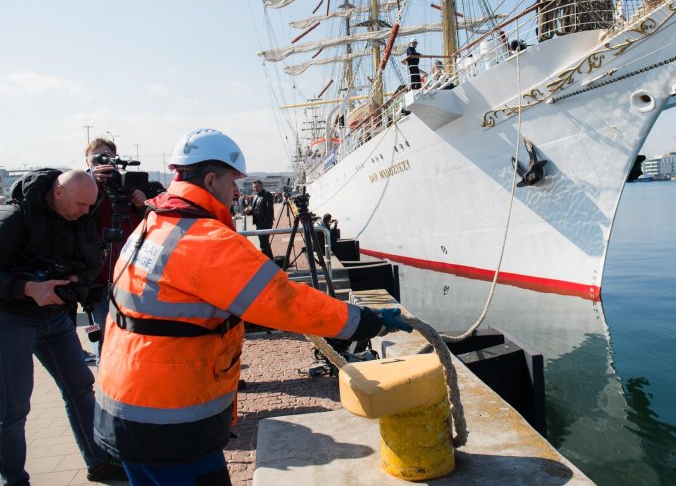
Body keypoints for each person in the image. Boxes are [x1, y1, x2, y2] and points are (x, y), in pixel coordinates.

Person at [93, 128, 410, 486]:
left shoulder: (154, 223)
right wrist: (362, 321)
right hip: (170, 421)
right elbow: (284, 302)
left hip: (125, 405)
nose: (238, 191)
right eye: (234, 181)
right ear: (211, 179)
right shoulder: (207, 241)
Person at [0, 169, 127, 485]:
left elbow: (94, 259)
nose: (86, 212)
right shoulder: (14, 219)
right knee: (13, 407)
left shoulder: (82, 215)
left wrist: (77, 280)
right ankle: (14, 479)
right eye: (81, 205)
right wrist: (29, 288)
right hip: (12, 318)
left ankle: (99, 461)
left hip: (56, 315)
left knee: (80, 388)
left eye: (90, 206)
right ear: (58, 193)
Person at [85, 137, 147, 361]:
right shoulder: (83, 187)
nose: (104, 164)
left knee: (134, 340)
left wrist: (141, 205)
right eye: (97, 159)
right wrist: (92, 181)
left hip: (131, 277)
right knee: (105, 345)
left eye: (108, 158)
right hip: (100, 281)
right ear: (88, 163)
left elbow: (145, 226)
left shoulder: (125, 185)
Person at [244, 179, 274, 259]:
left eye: (257, 186)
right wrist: (248, 212)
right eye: (254, 187)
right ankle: (271, 262)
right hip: (258, 224)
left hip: (265, 224)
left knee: (263, 245)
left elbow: (270, 211)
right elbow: (254, 211)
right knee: (265, 243)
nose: (255, 188)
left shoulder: (267, 195)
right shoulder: (256, 196)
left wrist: (265, 225)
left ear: (261, 186)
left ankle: (265, 264)